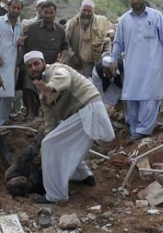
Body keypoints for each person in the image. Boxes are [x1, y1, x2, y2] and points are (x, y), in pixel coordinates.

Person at [23, 51, 115, 203]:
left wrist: (49, 87)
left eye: (36, 64)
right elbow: (50, 123)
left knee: (50, 145)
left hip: (88, 108)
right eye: (29, 66)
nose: (33, 68)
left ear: (44, 63)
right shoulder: (43, 97)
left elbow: (63, 79)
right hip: (81, 115)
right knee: (60, 143)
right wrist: (43, 147)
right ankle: (84, 176)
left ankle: (56, 195)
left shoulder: (56, 69)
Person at [110, 0, 163, 142]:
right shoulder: (124, 20)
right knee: (133, 97)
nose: (136, 0)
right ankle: (134, 130)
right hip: (133, 67)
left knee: (150, 98)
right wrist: (112, 61)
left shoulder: (156, 16)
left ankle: (143, 132)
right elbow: (118, 44)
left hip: (153, 67)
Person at [22, 1, 68, 120]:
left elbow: (64, 47)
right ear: (41, 12)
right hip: (31, 68)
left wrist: (61, 60)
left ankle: (47, 115)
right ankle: (30, 113)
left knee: (48, 92)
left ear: (55, 13)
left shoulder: (60, 31)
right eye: (45, 12)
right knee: (29, 88)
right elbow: (22, 44)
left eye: (50, 13)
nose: (48, 15)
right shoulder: (31, 28)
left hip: (49, 68)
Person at [0, 0, 24, 126]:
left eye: (18, 8)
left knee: (7, 96)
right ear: (8, 8)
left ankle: (2, 122)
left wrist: (20, 43)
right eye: (13, 7)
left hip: (11, 66)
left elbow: (17, 44)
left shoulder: (20, 26)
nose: (15, 10)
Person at [65, 0, 112, 77]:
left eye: (89, 11)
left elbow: (107, 42)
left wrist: (104, 58)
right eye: (84, 10)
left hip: (92, 65)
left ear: (93, 11)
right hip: (74, 63)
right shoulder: (72, 23)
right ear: (80, 10)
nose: (86, 13)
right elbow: (65, 42)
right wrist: (72, 56)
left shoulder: (100, 23)